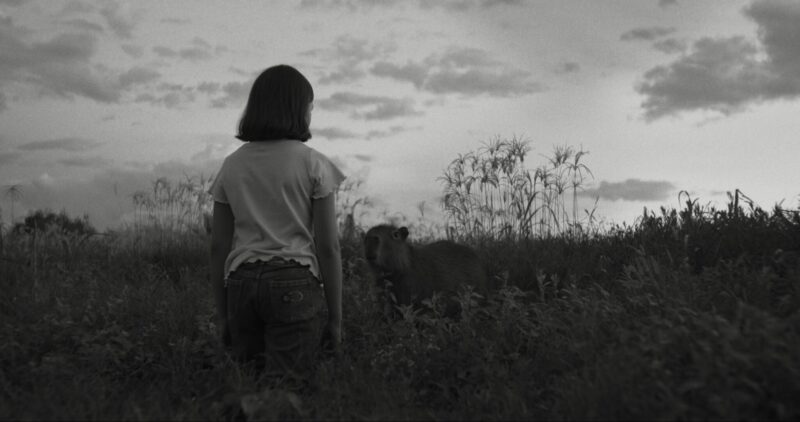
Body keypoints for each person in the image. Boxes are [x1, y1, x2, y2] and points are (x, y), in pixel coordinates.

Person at [209, 64, 344, 376]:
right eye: (310, 106)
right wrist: (335, 320)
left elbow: (218, 246)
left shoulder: (232, 165)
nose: (311, 113)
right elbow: (329, 247)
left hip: (241, 283)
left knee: (249, 382)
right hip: (293, 279)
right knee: (290, 387)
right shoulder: (313, 163)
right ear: (298, 110)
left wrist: (223, 315)